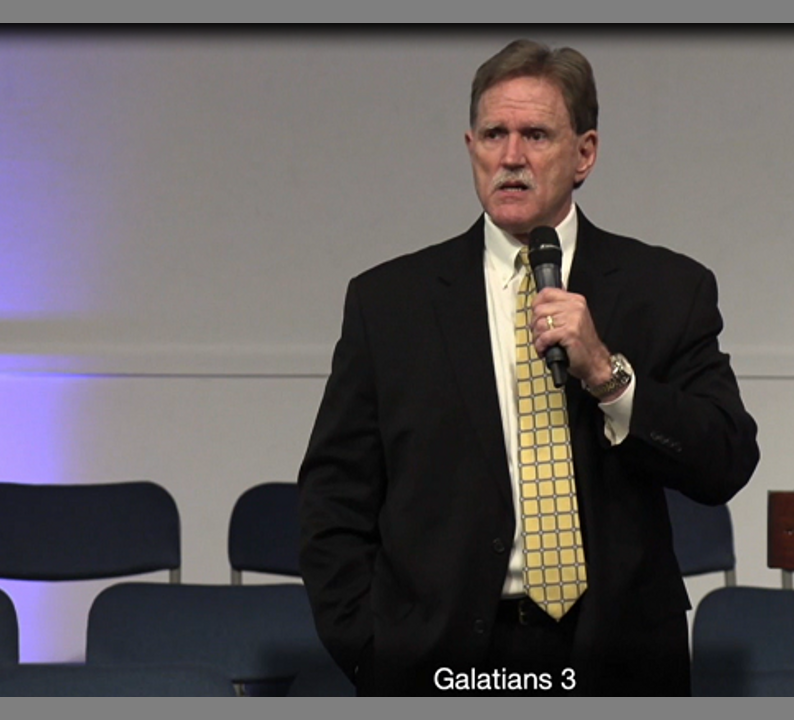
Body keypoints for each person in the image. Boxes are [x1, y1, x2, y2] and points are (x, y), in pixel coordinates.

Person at [298, 39, 759, 696]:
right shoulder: (390, 304)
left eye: (536, 135)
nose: (511, 156)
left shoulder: (666, 289)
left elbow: (726, 459)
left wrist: (607, 376)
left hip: (618, 659)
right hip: (441, 660)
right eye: (494, 135)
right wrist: (373, 653)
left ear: (585, 153)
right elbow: (333, 496)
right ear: (471, 148)